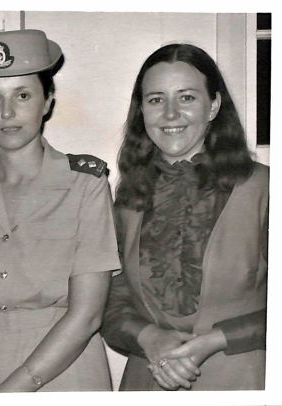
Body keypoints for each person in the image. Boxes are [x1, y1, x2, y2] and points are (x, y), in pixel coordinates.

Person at [0, 29, 120, 393]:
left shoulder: (85, 184)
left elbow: (87, 314)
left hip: (64, 369)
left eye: (24, 95)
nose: (7, 112)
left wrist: (9, 395)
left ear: (47, 101)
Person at [101, 43, 268, 390]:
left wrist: (216, 339)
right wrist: (149, 337)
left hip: (245, 381)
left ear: (214, 106)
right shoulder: (127, 196)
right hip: (148, 379)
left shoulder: (266, 189)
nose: (171, 114)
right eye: (156, 99)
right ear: (142, 111)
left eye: (187, 98)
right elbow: (109, 302)